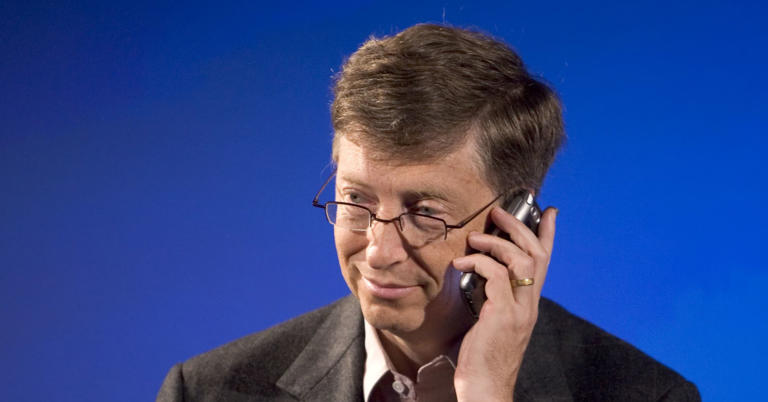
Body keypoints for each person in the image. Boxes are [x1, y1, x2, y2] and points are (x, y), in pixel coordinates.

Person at [157, 24, 700, 401]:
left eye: (424, 213)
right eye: (356, 200)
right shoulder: (205, 390)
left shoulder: (646, 395)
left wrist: (487, 394)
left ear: (515, 221)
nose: (378, 250)